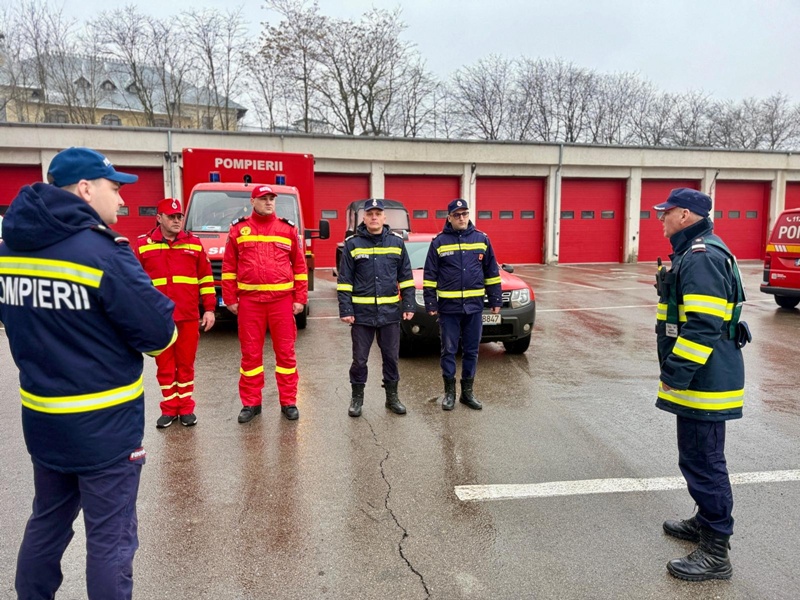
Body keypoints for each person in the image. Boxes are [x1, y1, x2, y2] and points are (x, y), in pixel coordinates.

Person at [0, 146, 177, 599]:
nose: (121, 199)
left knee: (47, 522)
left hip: (43, 420)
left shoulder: (10, 249)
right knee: (111, 539)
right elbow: (159, 335)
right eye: (114, 188)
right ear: (84, 188)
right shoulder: (101, 252)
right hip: (105, 428)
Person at [653, 188, 749, 581]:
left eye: (666, 212)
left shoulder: (701, 256)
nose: (661, 218)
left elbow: (703, 326)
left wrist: (674, 375)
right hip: (704, 376)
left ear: (685, 215)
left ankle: (715, 550)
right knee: (697, 457)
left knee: (704, 461)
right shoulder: (696, 252)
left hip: (703, 380)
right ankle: (704, 520)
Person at [222, 184, 308, 423]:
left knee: (286, 354)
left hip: (281, 302)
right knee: (250, 355)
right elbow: (229, 267)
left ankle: (288, 401)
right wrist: (230, 298)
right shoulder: (239, 230)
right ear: (252, 202)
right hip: (250, 303)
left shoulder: (287, 229)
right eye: (263, 198)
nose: (269, 202)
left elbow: (300, 266)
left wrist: (300, 298)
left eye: (271, 198)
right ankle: (251, 403)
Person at [135, 197, 216, 429]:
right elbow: (133, 283)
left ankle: (186, 408)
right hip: (158, 318)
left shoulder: (194, 244)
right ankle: (170, 409)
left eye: (179, 216)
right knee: (165, 365)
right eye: (171, 217)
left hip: (188, 315)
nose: (177, 220)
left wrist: (209, 309)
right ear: (159, 218)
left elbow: (206, 279)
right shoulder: (142, 245)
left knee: (186, 363)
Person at [337, 199, 415, 417]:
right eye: (370, 214)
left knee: (391, 357)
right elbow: (344, 280)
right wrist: (346, 309)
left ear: (384, 217)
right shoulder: (353, 244)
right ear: (364, 217)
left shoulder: (396, 243)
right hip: (362, 315)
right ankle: (357, 398)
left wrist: (409, 304)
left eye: (377, 214)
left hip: (390, 313)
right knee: (360, 359)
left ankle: (392, 398)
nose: (374, 217)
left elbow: (406, 277)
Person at [423, 198, 502, 411]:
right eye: (457, 215)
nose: (461, 218)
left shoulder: (482, 239)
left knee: (472, 351)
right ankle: (449, 393)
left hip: (474, 307)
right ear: (449, 217)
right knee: (448, 350)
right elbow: (430, 276)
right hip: (448, 308)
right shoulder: (439, 242)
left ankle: (467, 393)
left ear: (468, 215)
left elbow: (491, 272)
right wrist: (430, 302)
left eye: (464, 214)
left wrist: (495, 299)